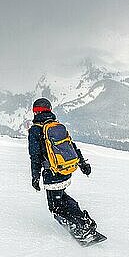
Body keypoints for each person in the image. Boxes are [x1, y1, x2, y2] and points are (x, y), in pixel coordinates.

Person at [28, 97, 98, 240]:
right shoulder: (57, 126)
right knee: (62, 197)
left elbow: (34, 156)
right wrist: (83, 164)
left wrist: (35, 177)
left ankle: (81, 227)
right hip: (65, 170)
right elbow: (72, 146)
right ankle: (84, 221)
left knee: (55, 207)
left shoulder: (35, 130)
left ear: (36, 112)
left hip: (52, 173)